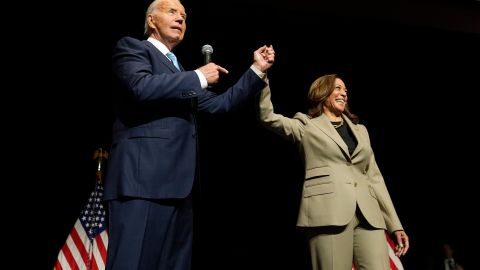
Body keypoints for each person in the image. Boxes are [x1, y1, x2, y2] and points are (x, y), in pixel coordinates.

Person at [103, 0, 275, 269]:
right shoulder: (133, 47)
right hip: (141, 184)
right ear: (151, 20)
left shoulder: (178, 70)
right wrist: (198, 77)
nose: (181, 19)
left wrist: (256, 70)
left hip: (180, 189)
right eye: (172, 12)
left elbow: (220, 104)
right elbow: (140, 86)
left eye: (184, 15)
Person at [257, 73, 409, 270]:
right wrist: (261, 76)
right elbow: (267, 117)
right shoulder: (306, 126)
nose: (344, 93)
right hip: (328, 213)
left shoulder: (361, 130)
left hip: (369, 216)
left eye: (345, 90)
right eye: (337, 88)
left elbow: (375, 178)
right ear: (322, 93)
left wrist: (394, 224)